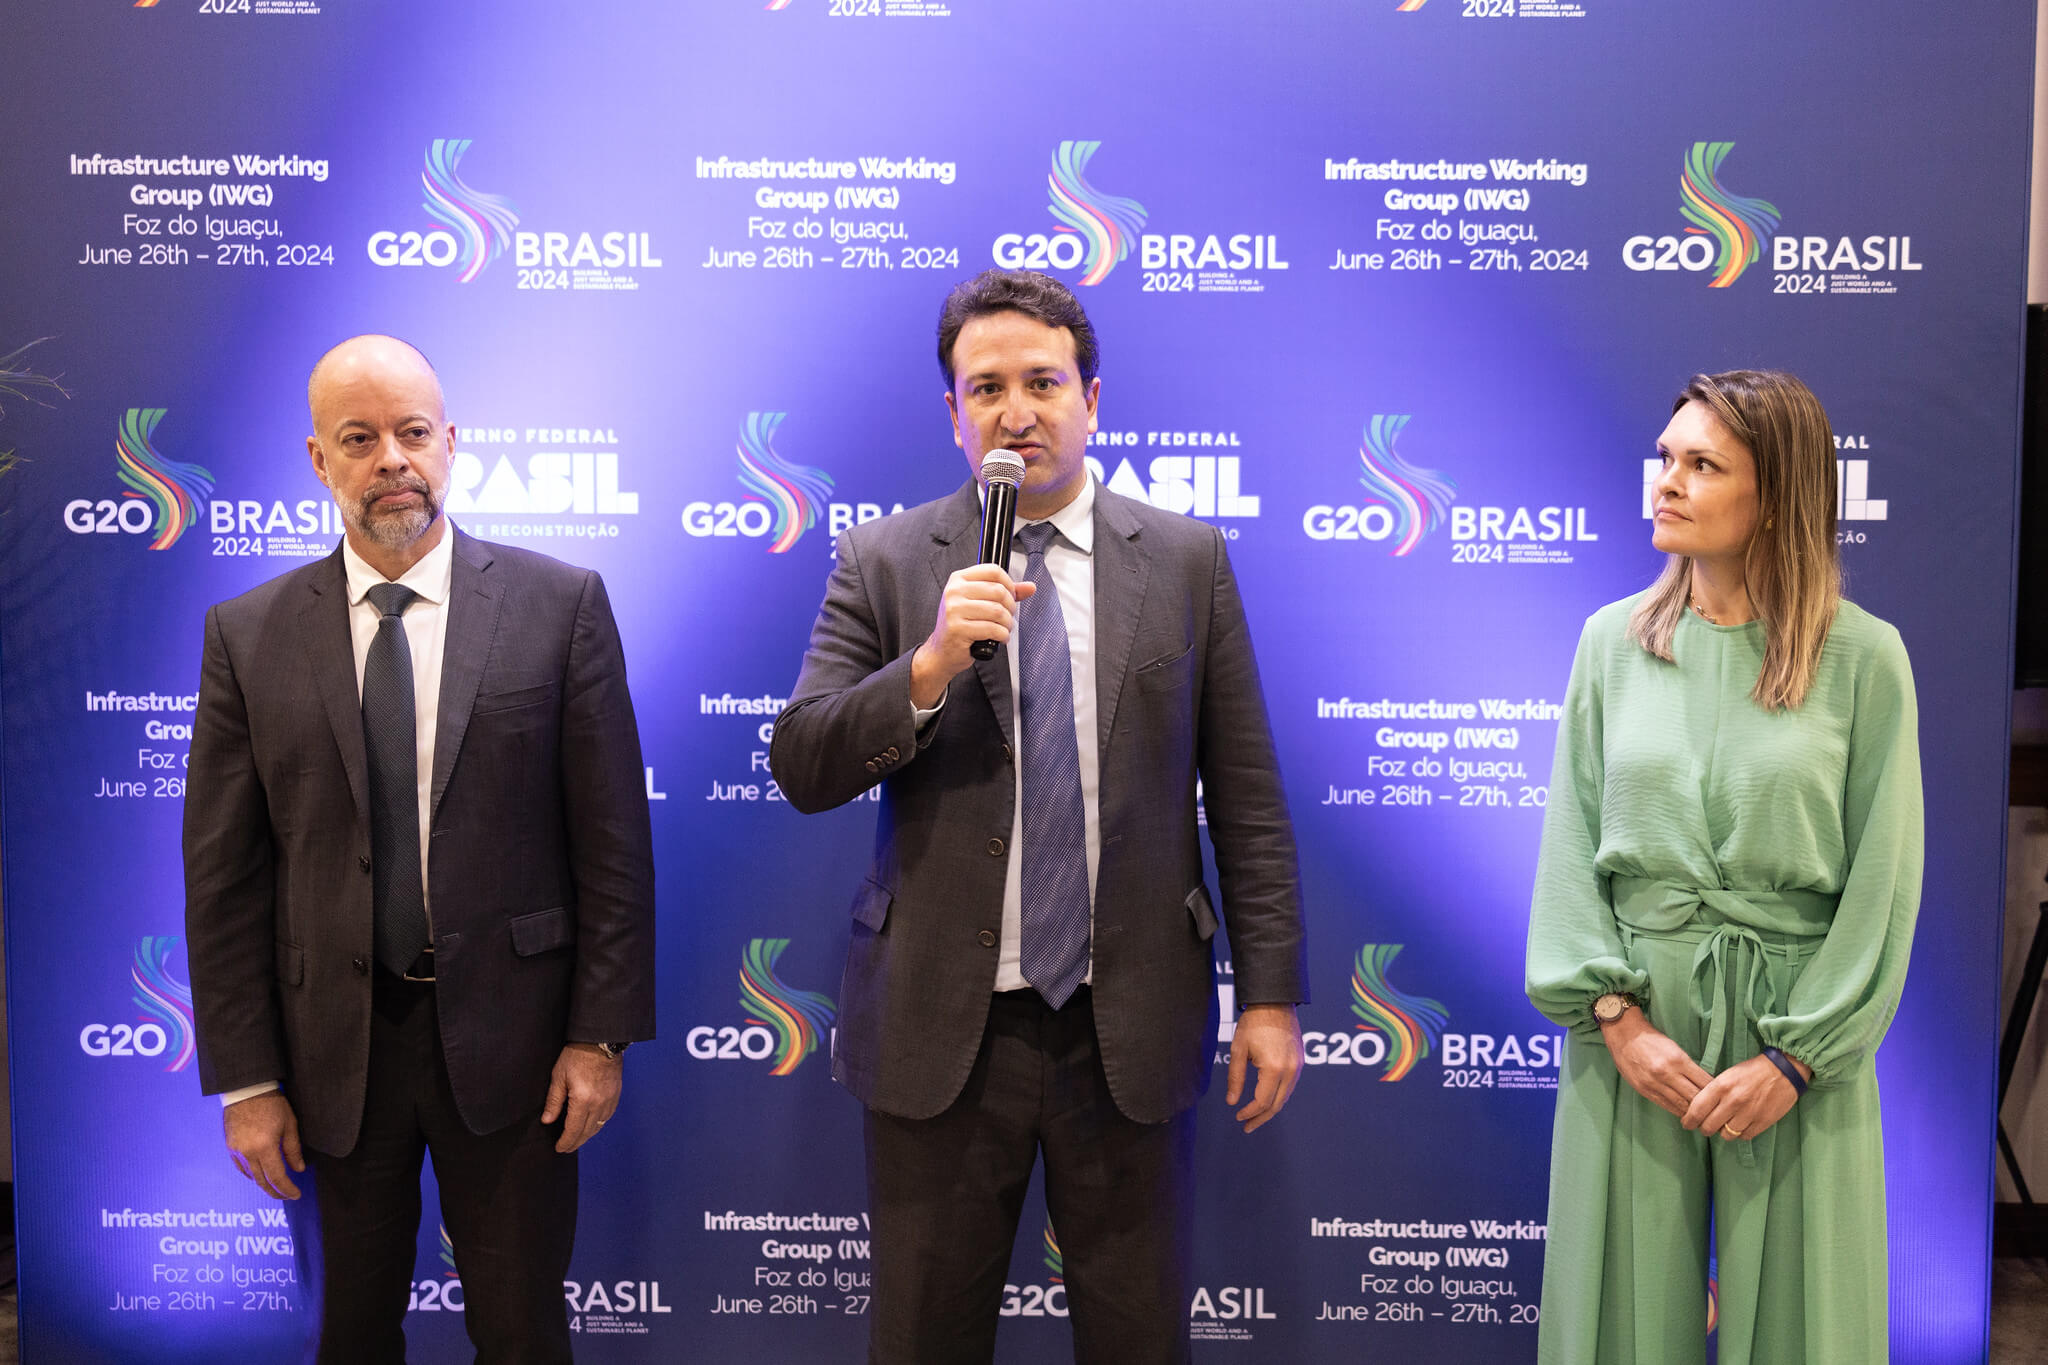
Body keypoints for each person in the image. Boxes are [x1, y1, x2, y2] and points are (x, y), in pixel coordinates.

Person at [771, 269, 1307, 1364]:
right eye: (986, 389)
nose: (1015, 411)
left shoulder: (1188, 561)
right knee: (922, 1341)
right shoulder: (885, 560)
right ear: (953, 414)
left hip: (1127, 1023)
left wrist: (1268, 998)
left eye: (1042, 382)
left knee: (1138, 1341)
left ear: (1091, 398)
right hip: (940, 1030)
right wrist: (926, 665)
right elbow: (805, 763)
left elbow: (1247, 797)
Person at [182, 334, 656, 1364]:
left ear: (450, 441)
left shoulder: (560, 605)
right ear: (320, 460)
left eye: (411, 432)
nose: (391, 458)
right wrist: (248, 1081)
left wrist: (600, 1036)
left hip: (519, 1048)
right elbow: (223, 882)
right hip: (328, 1059)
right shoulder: (246, 635)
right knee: (348, 1336)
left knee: (523, 1333)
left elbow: (614, 845)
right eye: (360, 439)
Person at [1525, 370, 1923, 1364]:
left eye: (1702, 464)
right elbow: (1570, 846)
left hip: (1797, 1030)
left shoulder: (1864, 658)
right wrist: (1615, 1019)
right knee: (1615, 1318)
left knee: (1806, 1323)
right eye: (1666, 457)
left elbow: (1882, 878)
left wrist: (1798, 1056)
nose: (1666, 481)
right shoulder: (1608, 645)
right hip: (1636, 1022)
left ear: (1776, 497)